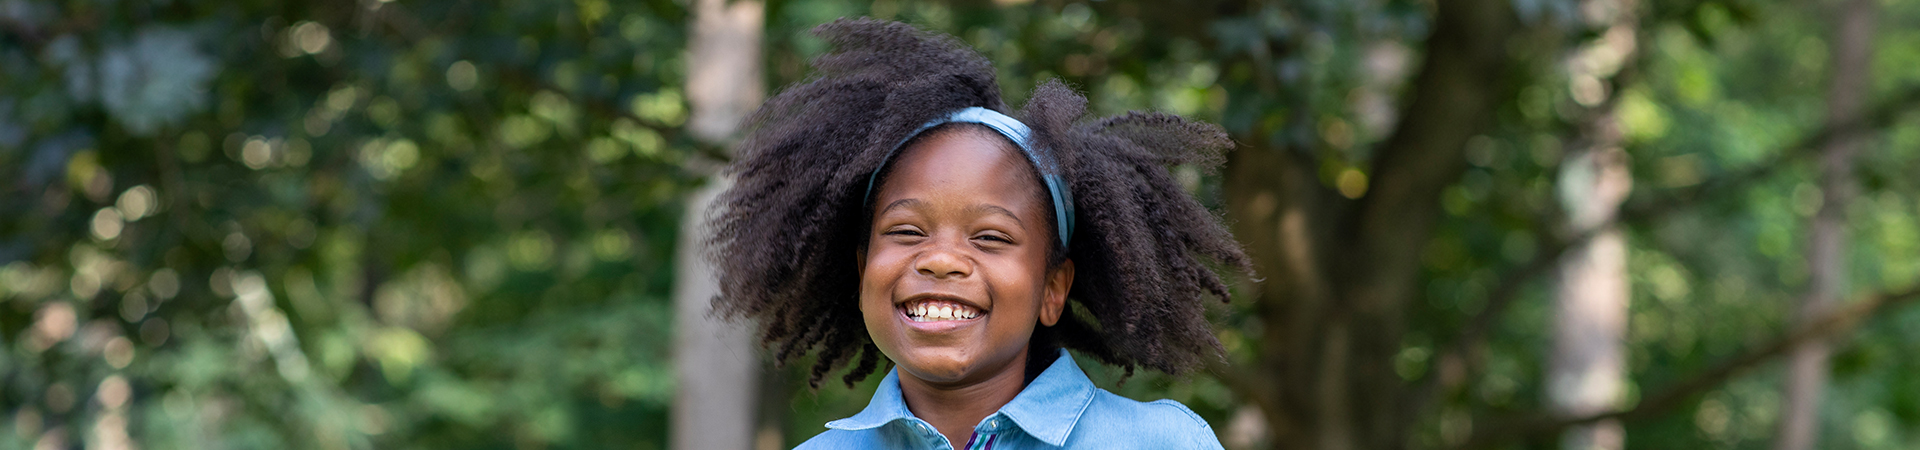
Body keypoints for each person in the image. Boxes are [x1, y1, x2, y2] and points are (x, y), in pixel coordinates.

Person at [708, 18, 1251, 449]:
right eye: (905, 230)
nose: (942, 259)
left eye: (990, 237)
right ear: (861, 269)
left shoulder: (1161, 443)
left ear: (1052, 289)